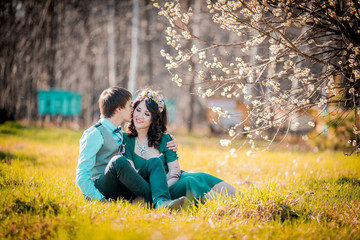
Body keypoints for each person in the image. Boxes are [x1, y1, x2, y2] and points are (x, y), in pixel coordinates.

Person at [76, 86, 188, 210]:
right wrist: (101, 200)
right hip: (103, 187)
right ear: (119, 109)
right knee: (118, 161)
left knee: (154, 162)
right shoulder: (94, 134)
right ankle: (155, 201)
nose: (133, 109)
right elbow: (82, 177)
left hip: (122, 185)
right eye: (130, 106)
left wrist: (171, 141)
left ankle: (162, 202)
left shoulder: (121, 134)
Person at [122, 88, 239, 203]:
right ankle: (225, 206)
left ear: (154, 119)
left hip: (173, 182)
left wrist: (167, 180)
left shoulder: (165, 139)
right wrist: (162, 184)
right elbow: (134, 177)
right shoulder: (126, 140)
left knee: (200, 177)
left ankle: (242, 199)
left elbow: (175, 173)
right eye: (138, 110)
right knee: (190, 182)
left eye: (147, 114)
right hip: (158, 190)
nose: (140, 116)